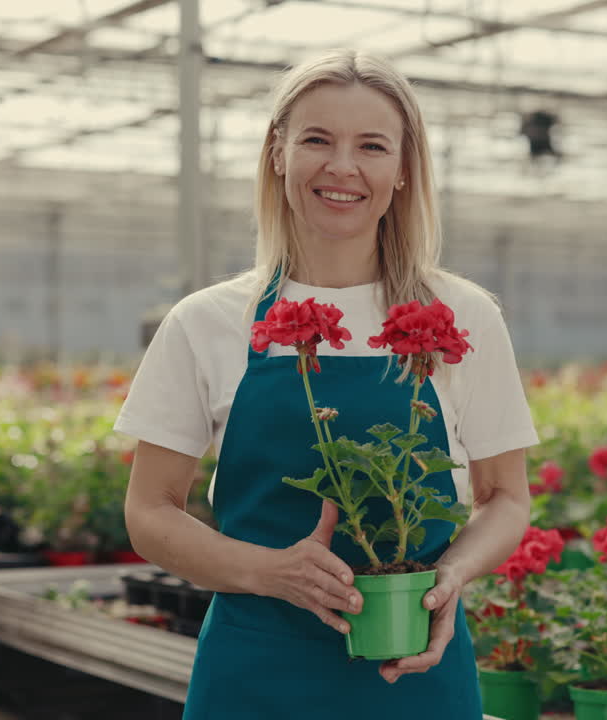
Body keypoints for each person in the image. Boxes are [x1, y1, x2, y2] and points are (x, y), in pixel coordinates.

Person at [116, 48, 538, 719]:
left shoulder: (460, 317)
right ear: (277, 153)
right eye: (317, 140)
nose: (343, 167)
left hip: (414, 671)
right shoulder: (206, 322)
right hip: (255, 672)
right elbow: (150, 511)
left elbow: (506, 499)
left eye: (372, 146)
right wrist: (267, 571)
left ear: (403, 170)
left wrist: (448, 576)